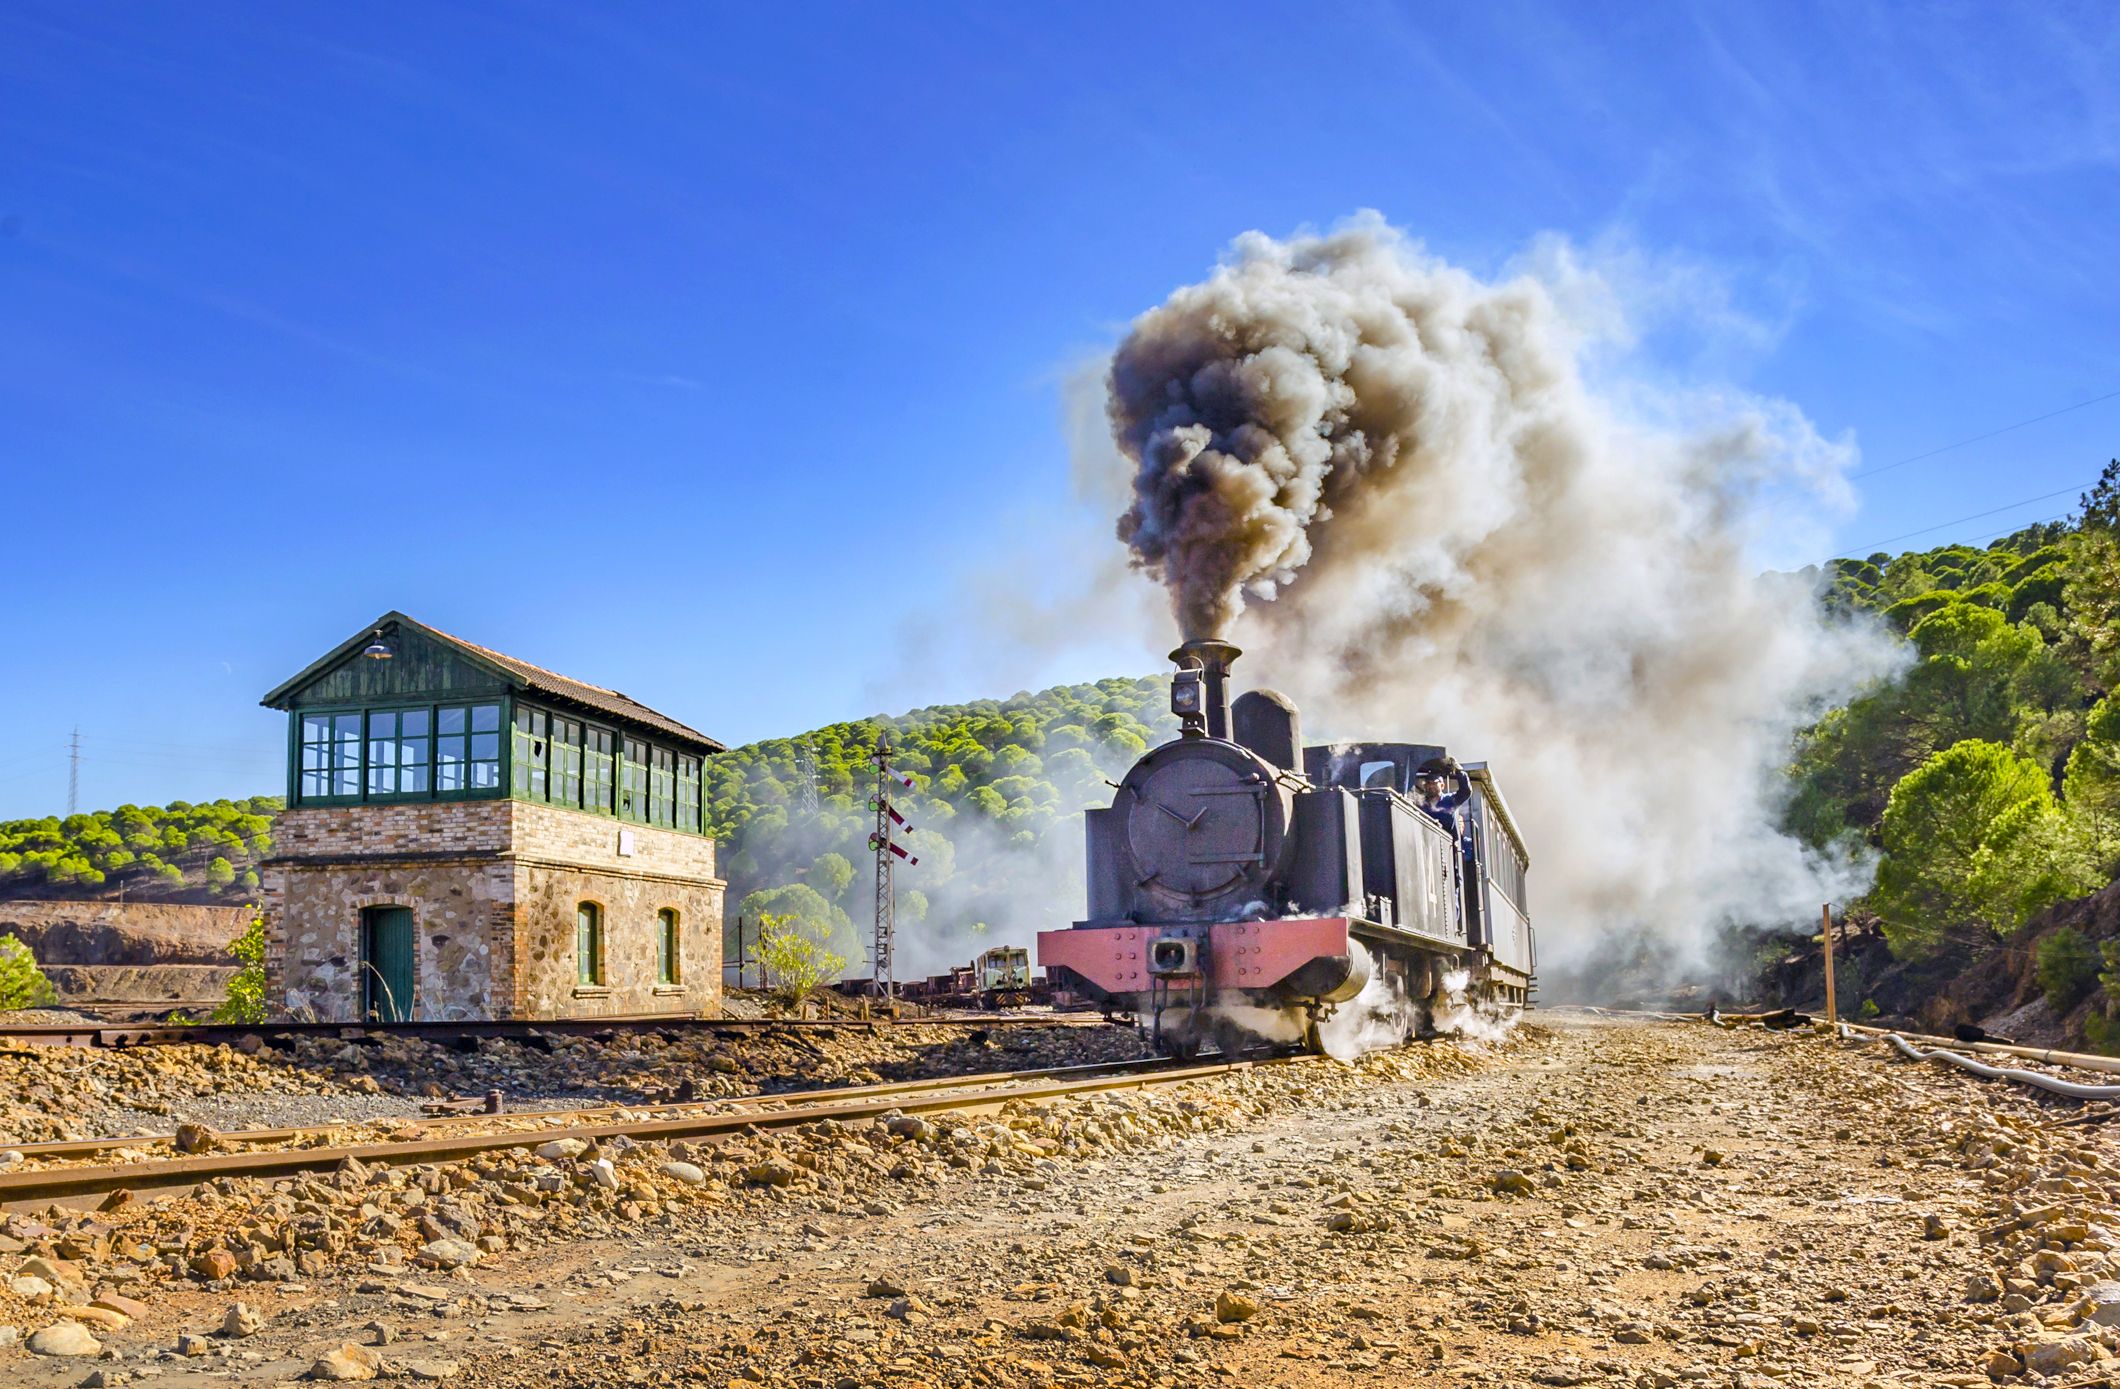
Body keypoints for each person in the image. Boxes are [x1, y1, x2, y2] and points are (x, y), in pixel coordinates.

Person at [1412, 758, 1471, 836]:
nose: (1431, 786)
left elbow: (1465, 792)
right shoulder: (1420, 803)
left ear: (1442, 785)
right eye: (1429, 783)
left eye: (1434, 783)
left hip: (1448, 843)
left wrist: (1459, 771)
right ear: (1425, 786)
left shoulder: (1450, 800)